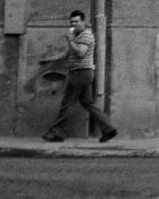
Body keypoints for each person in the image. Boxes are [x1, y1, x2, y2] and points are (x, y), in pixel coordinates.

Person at [42, 9, 118, 143]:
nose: (73, 24)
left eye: (76, 22)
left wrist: (70, 40)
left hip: (80, 73)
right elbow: (67, 54)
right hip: (82, 73)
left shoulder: (86, 35)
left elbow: (81, 52)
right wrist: (49, 60)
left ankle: (57, 132)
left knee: (67, 103)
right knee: (88, 103)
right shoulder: (77, 36)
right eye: (71, 22)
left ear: (83, 22)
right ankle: (108, 129)